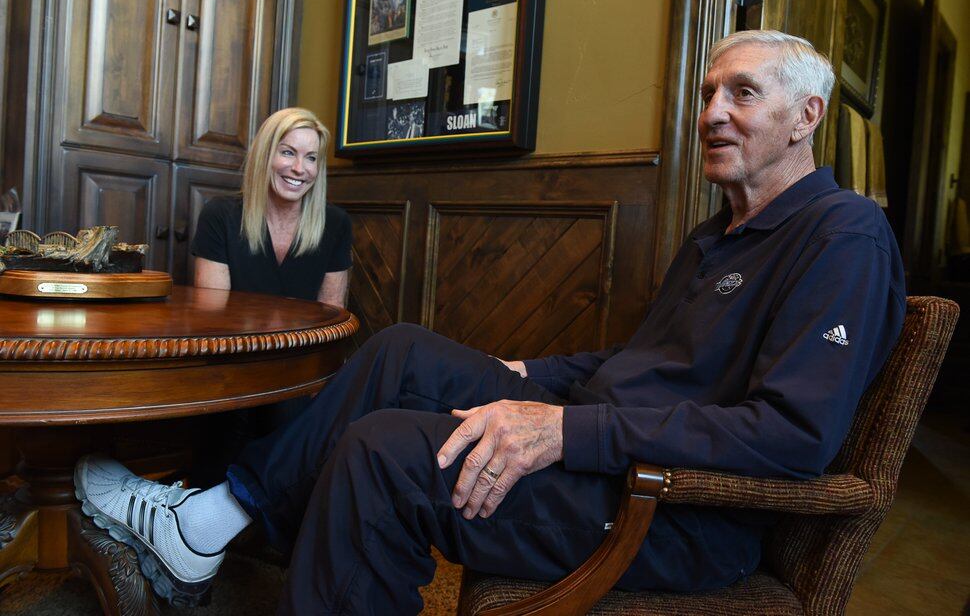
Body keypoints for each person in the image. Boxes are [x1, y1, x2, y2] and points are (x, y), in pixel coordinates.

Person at [74, 30, 906, 614]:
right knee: (401, 352)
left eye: (743, 94)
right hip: (605, 440)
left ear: (808, 117)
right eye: (708, 93)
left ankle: (208, 524)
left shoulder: (843, 238)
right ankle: (218, 518)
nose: (714, 112)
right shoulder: (714, 236)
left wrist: (562, 432)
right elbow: (642, 363)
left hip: (671, 509)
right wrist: (531, 379)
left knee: (383, 453)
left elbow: (793, 437)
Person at [190, 108, 353, 465]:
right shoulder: (221, 215)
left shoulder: (335, 224)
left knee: (296, 417)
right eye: (288, 152)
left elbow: (332, 321)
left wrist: (317, 388)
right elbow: (212, 317)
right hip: (231, 367)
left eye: (311, 158)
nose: (300, 169)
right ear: (266, 154)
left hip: (297, 371)